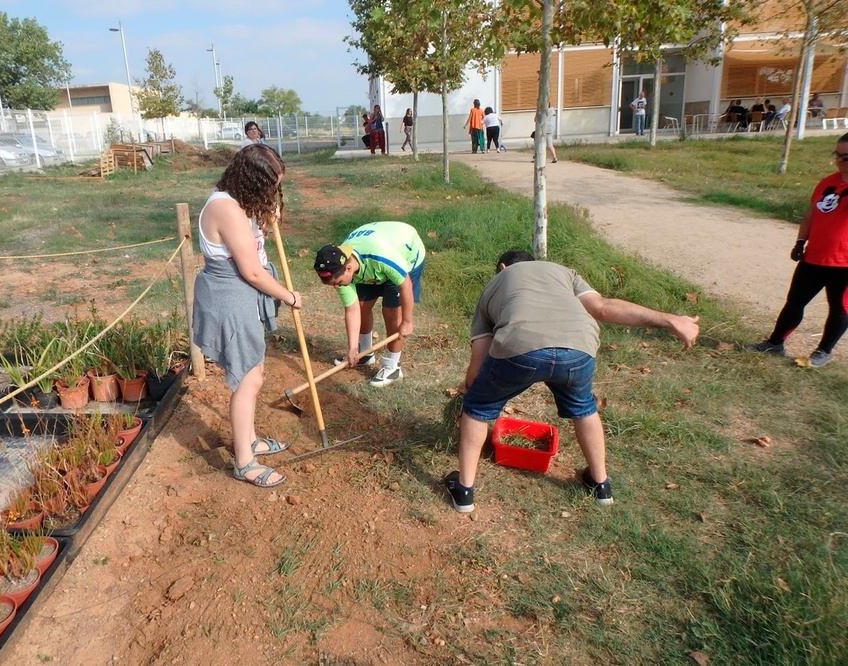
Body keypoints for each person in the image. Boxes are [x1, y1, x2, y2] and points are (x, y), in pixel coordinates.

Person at [443, 250, 700, 512]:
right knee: (584, 408)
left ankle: (464, 491)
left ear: (502, 267)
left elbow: (480, 353)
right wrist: (669, 320)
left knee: (477, 409)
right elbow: (603, 307)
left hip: (520, 347)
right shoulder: (563, 272)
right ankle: (601, 485)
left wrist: (470, 388)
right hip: (579, 348)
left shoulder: (495, 284)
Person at [192, 144, 302, 489]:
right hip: (229, 296)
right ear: (251, 180)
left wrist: (267, 219)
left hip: (240, 293)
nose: (273, 193)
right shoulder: (226, 209)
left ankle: (250, 439)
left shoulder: (238, 200)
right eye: (270, 186)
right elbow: (252, 273)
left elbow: (252, 240)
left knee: (254, 369)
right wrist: (288, 295)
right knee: (247, 379)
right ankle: (243, 462)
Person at [752, 132, 848, 368]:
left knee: (840, 307)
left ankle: (823, 351)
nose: (839, 161)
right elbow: (811, 213)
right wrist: (800, 241)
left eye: (845, 157)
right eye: (837, 155)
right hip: (814, 258)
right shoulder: (828, 182)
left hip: (844, 264)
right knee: (794, 302)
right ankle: (775, 343)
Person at [313, 221, 426, 387]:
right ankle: (364, 353)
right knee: (361, 305)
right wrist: (352, 348)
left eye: (338, 282)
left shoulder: (381, 256)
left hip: (406, 252)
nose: (337, 287)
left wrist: (407, 322)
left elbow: (405, 285)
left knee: (391, 312)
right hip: (371, 260)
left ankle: (393, 366)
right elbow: (352, 310)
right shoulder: (339, 265)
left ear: (349, 269)